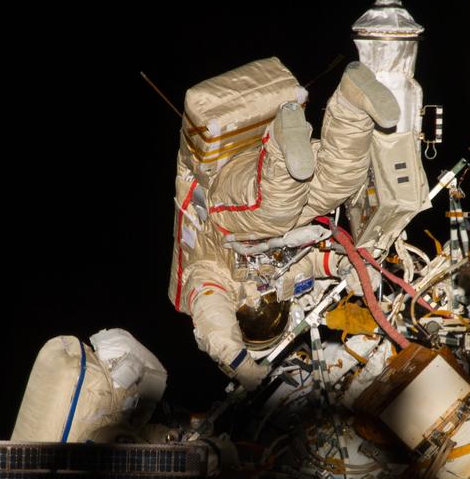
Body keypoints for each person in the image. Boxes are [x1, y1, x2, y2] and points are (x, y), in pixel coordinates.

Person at [170, 61, 400, 388]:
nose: (263, 311)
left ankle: (280, 139)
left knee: (275, 210)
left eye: (256, 326)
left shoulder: (207, 277)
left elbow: (212, 322)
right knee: (339, 184)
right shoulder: (279, 278)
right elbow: (312, 262)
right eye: (270, 322)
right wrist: (348, 268)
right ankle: (351, 105)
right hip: (277, 194)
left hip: (223, 198)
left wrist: (240, 365)